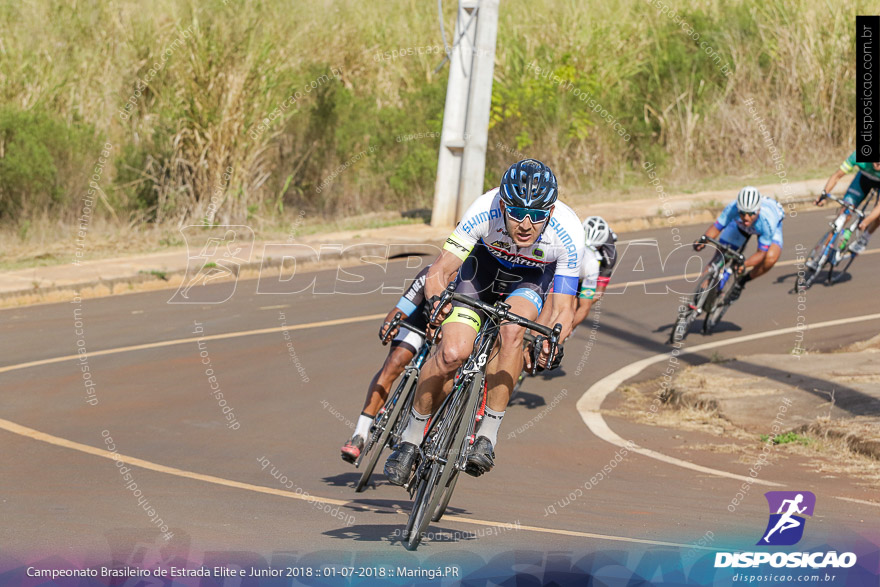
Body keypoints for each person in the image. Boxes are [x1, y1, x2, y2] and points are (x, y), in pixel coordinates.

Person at [383, 159, 585, 484]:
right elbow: (440, 270)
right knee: (452, 354)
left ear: (551, 211)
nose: (526, 224)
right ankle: (411, 438)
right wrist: (436, 300)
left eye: (537, 215)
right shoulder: (483, 211)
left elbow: (563, 307)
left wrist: (554, 340)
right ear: (503, 204)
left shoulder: (569, 232)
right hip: (481, 271)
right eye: (517, 213)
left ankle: (487, 436)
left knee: (513, 329)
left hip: (529, 279)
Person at [340, 266, 431, 463]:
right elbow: (403, 307)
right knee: (394, 363)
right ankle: (360, 434)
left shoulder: (478, 277)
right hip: (419, 321)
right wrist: (390, 324)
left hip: (451, 329)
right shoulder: (430, 273)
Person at [693, 186, 784, 301]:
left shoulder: (768, 222)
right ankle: (700, 295)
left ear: (758, 211)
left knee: (770, 258)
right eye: (742, 213)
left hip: (765, 226)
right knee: (720, 255)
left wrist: (744, 265)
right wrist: (703, 240)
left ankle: (742, 281)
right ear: (738, 208)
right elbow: (717, 227)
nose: (746, 217)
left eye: (750, 213)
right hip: (739, 226)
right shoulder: (732, 208)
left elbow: (761, 253)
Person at [815, 153, 880, 254]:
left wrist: (866, 222)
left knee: (877, 217)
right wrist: (824, 195)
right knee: (845, 211)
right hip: (863, 179)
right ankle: (822, 253)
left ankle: (865, 238)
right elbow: (837, 176)